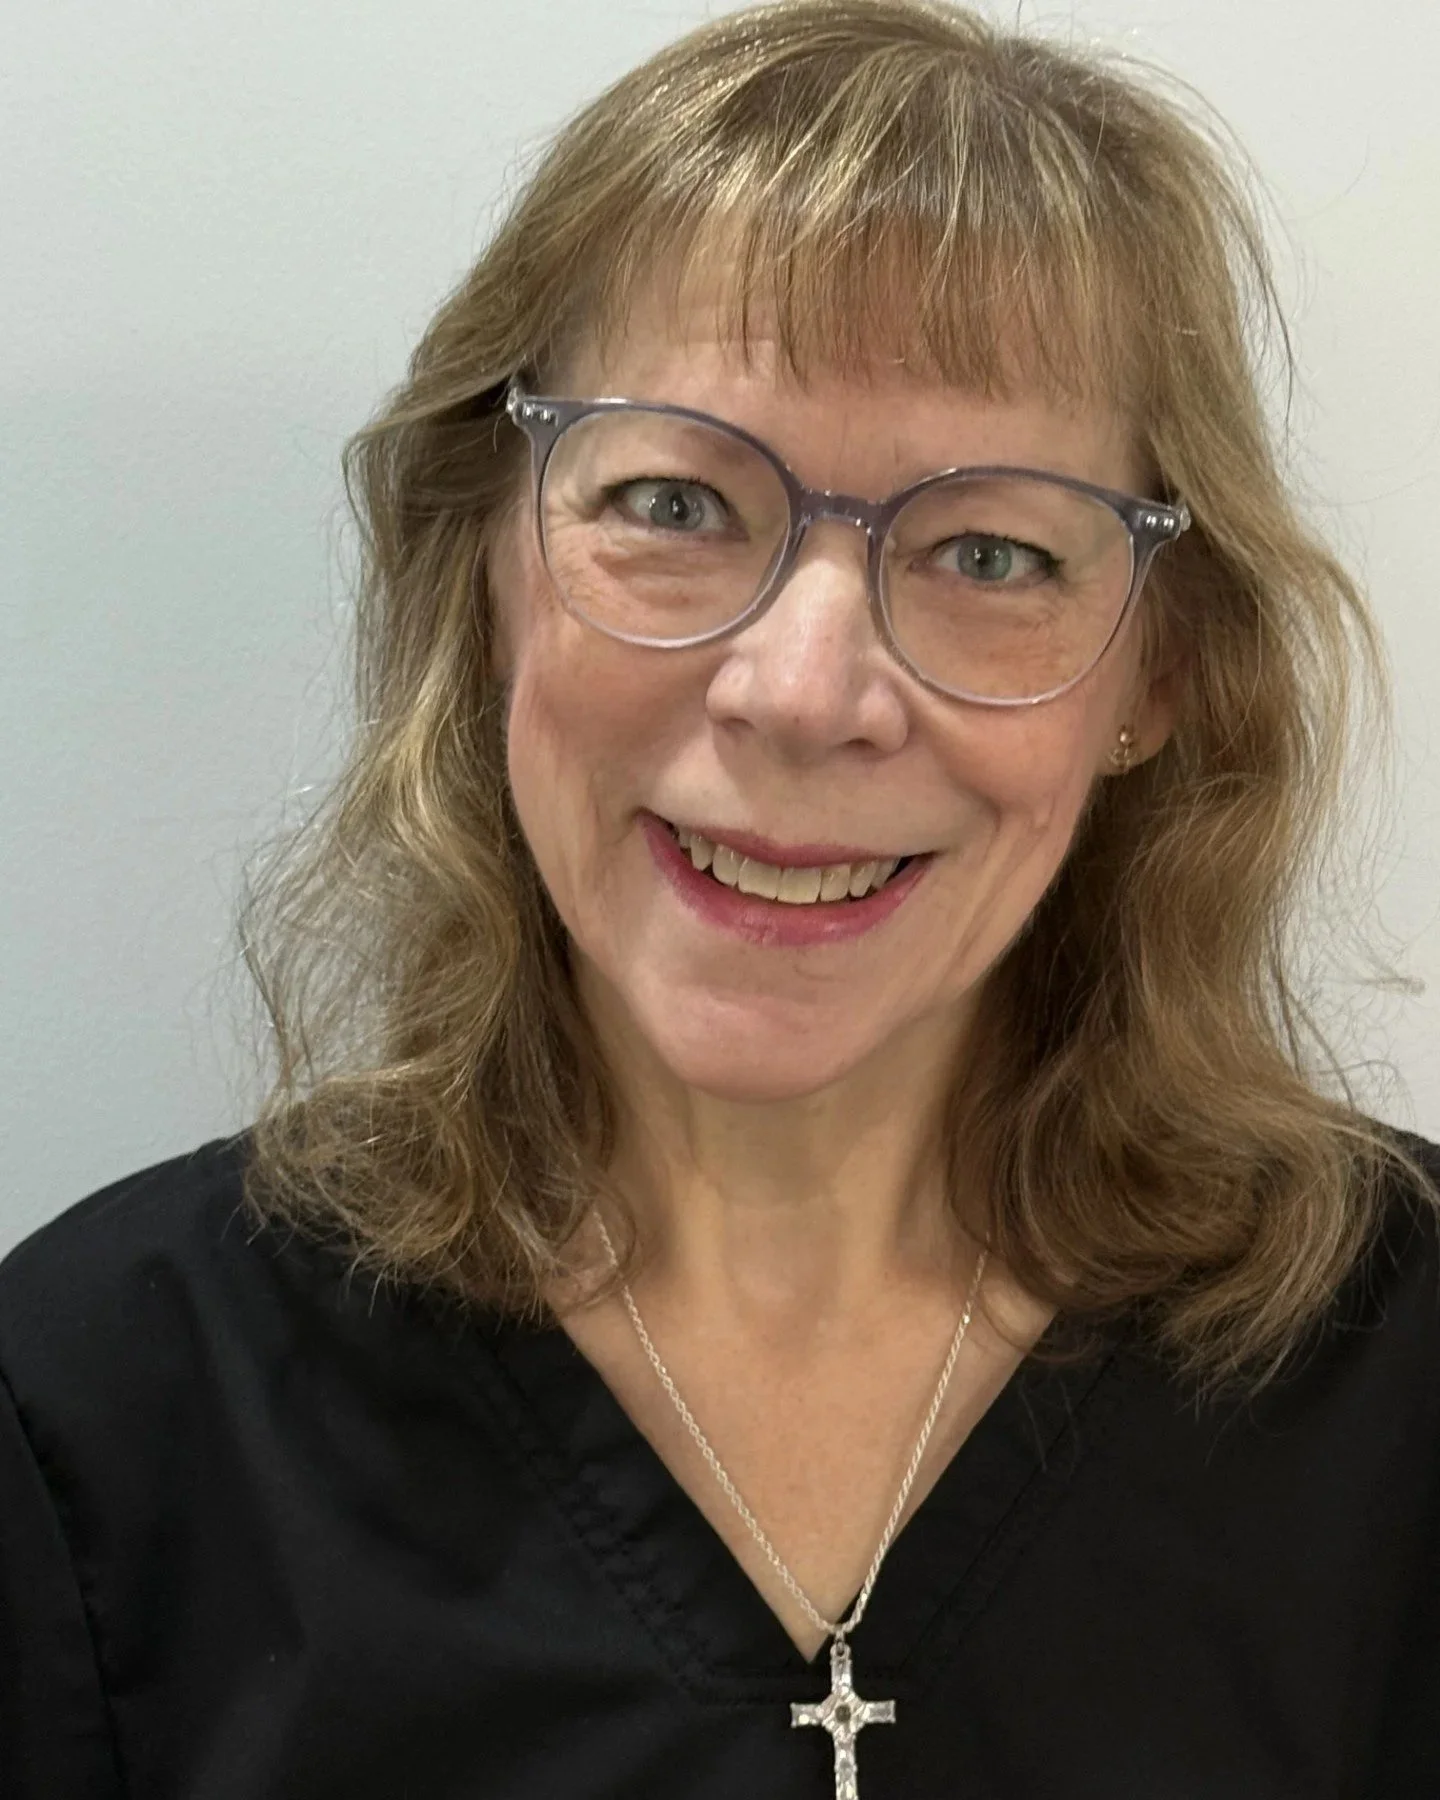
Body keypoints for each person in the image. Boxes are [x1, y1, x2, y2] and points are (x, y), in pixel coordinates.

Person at [2, 1, 1437, 1794]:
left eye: (992, 550)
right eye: (675, 503)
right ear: (484, 576)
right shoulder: (102, 1421)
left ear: (1161, 670)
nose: (803, 692)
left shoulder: (1404, 1382)